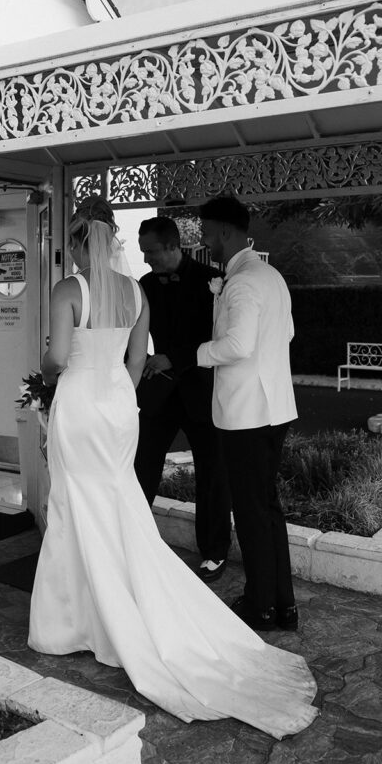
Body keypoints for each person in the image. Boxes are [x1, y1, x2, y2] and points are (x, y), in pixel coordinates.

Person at [28, 196, 318, 738]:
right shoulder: (138, 290)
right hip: (123, 403)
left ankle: (79, 617)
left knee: (78, 502)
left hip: (110, 403)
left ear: (77, 243)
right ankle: (263, 603)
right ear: (113, 241)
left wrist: (53, 376)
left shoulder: (71, 289)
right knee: (122, 498)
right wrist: (118, 392)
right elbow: (138, 359)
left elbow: (58, 358)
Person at [196, 196, 299, 633]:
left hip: (246, 414)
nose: (204, 241)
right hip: (275, 409)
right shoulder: (271, 276)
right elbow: (287, 332)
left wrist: (198, 353)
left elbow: (238, 346)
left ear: (224, 231)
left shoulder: (240, 283)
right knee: (267, 508)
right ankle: (282, 604)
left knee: (252, 512)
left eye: (205, 232)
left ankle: (260, 607)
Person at [134, 216, 230, 581]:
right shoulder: (145, 284)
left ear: (173, 246)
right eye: (143, 252)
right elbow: (133, 333)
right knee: (140, 466)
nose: (146, 259)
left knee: (212, 472)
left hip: (201, 390)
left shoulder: (211, 280)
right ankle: (132, 542)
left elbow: (218, 337)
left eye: (151, 251)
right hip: (158, 390)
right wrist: (141, 361)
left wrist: (173, 357)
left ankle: (215, 552)